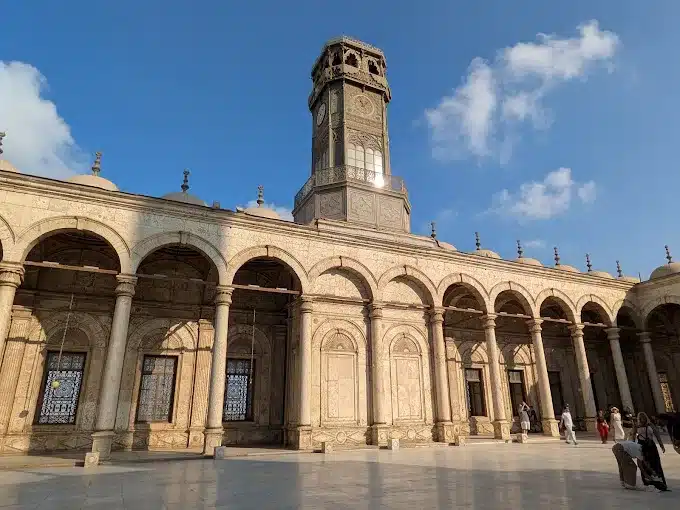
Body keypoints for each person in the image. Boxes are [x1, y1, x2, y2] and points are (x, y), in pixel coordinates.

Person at [635, 412, 668, 491]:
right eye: (640, 418)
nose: (642, 419)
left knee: (655, 463)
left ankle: (659, 481)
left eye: (643, 418)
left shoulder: (650, 425)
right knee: (644, 463)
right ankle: (648, 482)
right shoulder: (636, 426)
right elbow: (633, 436)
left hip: (651, 446)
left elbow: (657, 435)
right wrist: (633, 448)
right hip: (641, 446)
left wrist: (661, 446)